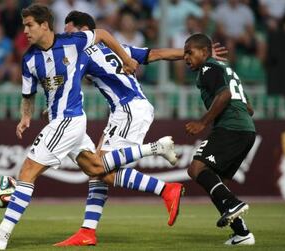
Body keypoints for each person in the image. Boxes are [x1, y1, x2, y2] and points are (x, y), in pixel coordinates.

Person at [0, 4, 178, 250]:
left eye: (29, 25)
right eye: (24, 25)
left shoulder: (74, 43)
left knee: (27, 171)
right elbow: (28, 94)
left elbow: (102, 34)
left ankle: (1, 236)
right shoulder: (29, 60)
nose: (25, 30)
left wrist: (126, 58)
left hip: (69, 120)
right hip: (63, 120)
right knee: (97, 169)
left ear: (44, 25)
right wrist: (26, 117)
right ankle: (94, 227)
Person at [54, 11, 228, 247]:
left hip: (128, 110)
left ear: (85, 30)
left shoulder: (82, 52)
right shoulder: (116, 47)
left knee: (99, 168)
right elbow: (156, 54)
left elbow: (69, 82)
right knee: (97, 170)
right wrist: (191, 54)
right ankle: (87, 231)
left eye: (69, 31)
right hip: (126, 110)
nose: (66, 37)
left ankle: (166, 187)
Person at [183, 33, 256, 245]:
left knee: (196, 169)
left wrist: (202, 123)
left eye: (190, 52)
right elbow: (249, 108)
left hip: (231, 127)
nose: (186, 57)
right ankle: (242, 234)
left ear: (205, 52)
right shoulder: (227, 70)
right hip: (246, 129)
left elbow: (224, 95)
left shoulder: (208, 68)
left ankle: (233, 203)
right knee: (217, 183)